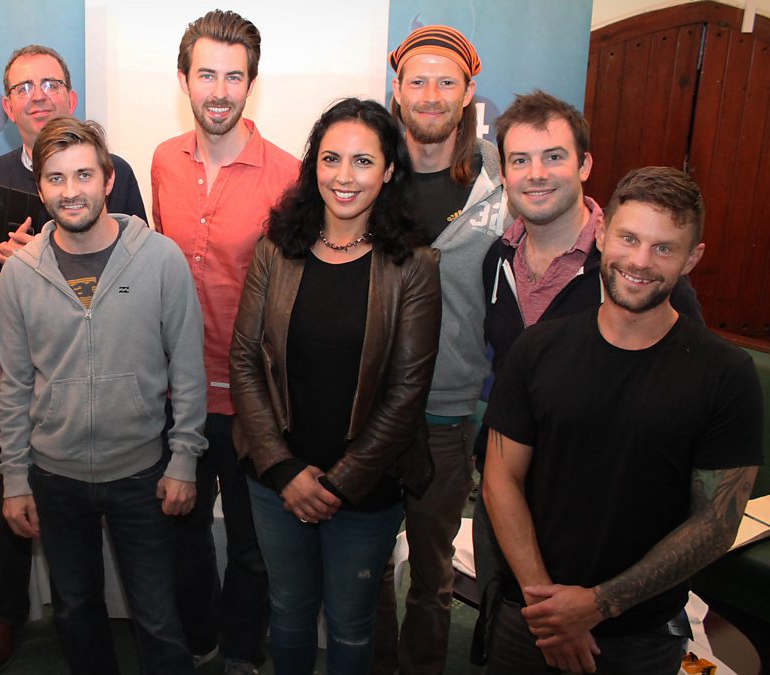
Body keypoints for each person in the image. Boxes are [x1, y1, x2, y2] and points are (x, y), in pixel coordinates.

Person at [481, 166, 762, 674]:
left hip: (640, 632)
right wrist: (549, 607)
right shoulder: (537, 350)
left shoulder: (726, 374)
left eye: (663, 248)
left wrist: (597, 604)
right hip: (531, 614)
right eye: (629, 238)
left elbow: (716, 523)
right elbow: (501, 479)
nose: (640, 261)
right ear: (602, 232)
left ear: (691, 258)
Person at [472, 92, 703, 661]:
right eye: (520, 160)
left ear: (585, 165)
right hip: (507, 495)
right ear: (504, 173)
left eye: (554, 156)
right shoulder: (496, 259)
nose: (537, 173)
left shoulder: (632, 268)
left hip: (605, 523)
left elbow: (682, 398)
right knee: (512, 636)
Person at [0, 44, 146, 671]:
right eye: (23, 87)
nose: (38, 96)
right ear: (7, 107)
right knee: (10, 498)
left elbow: (140, 258)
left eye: (50, 83)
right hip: (8, 373)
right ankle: (5, 612)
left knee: (88, 505)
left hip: (95, 372)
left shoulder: (115, 172)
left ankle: (93, 613)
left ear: (71, 96)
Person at [229, 98, 442, 675]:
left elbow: (407, 393)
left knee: (351, 627)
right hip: (277, 482)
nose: (344, 176)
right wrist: (283, 470)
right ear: (313, 166)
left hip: (367, 488)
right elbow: (244, 362)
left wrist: (339, 483)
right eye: (331, 159)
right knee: (289, 612)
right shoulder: (275, 250)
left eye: (363, 161)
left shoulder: (415, 264)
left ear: (389, 170)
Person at [0, 116, 206, 675]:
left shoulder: (160, 259)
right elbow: (15, 386)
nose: (71, 190)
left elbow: (188, 368)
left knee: (158, 617)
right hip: (54, 477)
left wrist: (184, 460)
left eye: (84, 174)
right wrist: (14, 479)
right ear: (40, 189)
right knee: (76, 610)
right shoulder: (19, 275)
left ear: (109, 179)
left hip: (141, 473)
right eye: (56, 178)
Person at [151, 11, 300, 673]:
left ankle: (241, 648)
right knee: (178, 530)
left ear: (251, 84)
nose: (219, 91)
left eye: (233, 77)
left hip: (252, 398)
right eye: (206, 74)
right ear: (184, 79)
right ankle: (199, 637)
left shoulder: (290, 176)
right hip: (174, 391)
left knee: (253, 543)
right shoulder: (163, 160)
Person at [373, 25, 508, 675]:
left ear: (468, 91)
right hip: (368, 409)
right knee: (368, 566)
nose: (431, 95)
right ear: (397, 90)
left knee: (433, 574)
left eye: (446, 81)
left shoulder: (503, 181)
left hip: (448, 412)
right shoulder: (368, 169)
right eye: (418, 81)